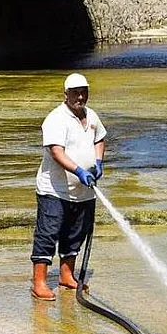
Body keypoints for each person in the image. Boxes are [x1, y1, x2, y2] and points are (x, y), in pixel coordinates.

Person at [30, 72, 107, 301]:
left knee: (75, 233)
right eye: (75, 93)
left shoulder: (91, 116)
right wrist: (79, 171)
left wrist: (98, 162)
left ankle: (66, 275)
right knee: (48, 232)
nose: (80, 97)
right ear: (66, 95)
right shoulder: (56, 119)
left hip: (84, 192)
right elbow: (56, 152)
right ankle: (39, 282)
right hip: (54, 190)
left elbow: (100, 138)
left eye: (84, 92)